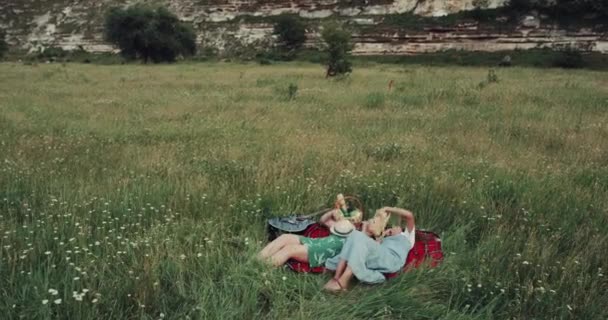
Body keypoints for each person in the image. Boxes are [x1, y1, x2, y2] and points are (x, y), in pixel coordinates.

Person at [323, 207, 416, 292]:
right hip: (379, 257)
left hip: (391, 260)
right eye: (392, 227)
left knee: (360, 237)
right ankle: (336, 277)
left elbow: (409, 215)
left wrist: (388, 208)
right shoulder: (385, 237)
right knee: (354, 234)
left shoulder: (407, 237)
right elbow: (374, 248)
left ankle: (343, 281)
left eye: (397, 227)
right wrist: (382, 236)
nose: (394, 227)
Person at [258, 219, 354, 268]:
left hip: (318, 251)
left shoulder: (353, 241)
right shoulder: (343, 229)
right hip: (316, 242)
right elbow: (324, 220)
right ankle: (257, 259)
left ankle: (263, 267)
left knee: (289, 249)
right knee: (285, 237)